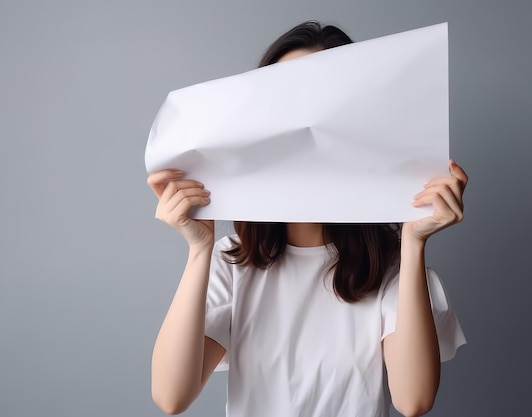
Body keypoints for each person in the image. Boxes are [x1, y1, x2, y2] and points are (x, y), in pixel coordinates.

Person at [147, 21, 468, 417]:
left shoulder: (393, 267)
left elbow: (413, 400)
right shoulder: (232, 265)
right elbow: (170, 396)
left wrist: (414, 241)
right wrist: (199, 250)